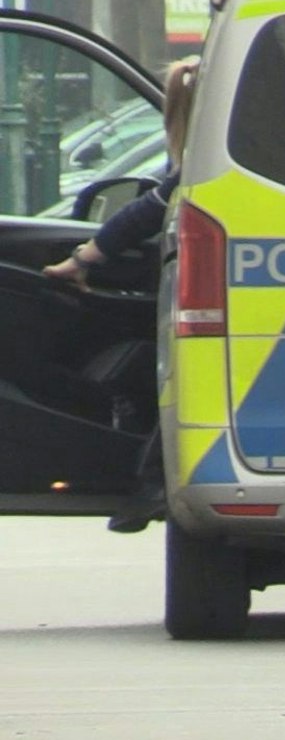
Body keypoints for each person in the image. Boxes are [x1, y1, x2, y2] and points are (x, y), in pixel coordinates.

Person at [43, 56, 200, 533]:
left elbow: (144, 214)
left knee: (182, 385)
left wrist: (82, 260)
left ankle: (153, 481)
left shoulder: (201, 166)